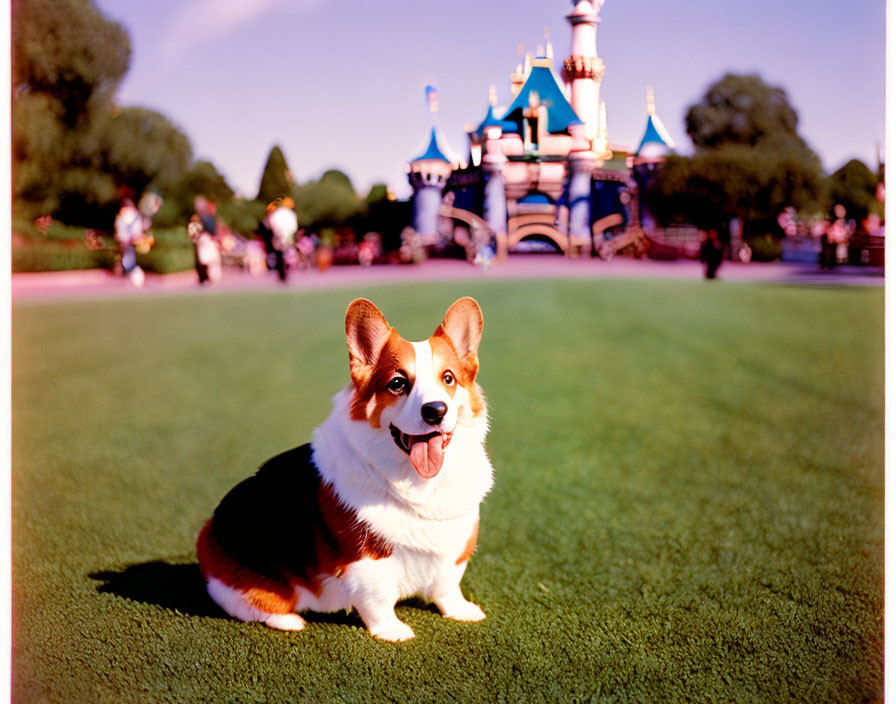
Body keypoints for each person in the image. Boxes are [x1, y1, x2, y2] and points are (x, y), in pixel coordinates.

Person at [114, 191, 146, 287]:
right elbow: (135, 230)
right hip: (128, 240)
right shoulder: (132, 215)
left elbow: (119, 229)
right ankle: (128, 276)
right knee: (128, 259)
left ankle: (126, 275)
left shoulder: (122, 214)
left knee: (127, 258)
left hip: (125, 240)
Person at [265, 197, 299, 282]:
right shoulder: (290, 214)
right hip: (287, 237)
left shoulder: (276, 214)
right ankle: (285, 273)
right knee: (287, 256)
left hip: (278, 237)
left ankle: (282, 274)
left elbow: (271, 225)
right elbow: (293, 227)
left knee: (280, 256)